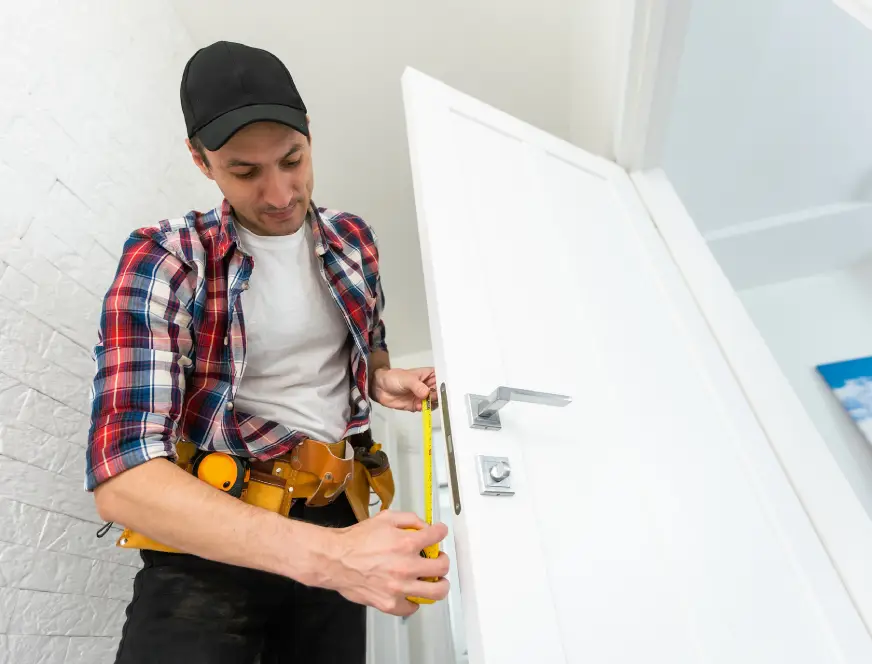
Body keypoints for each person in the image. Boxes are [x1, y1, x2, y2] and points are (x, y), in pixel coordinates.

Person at [85, 40, 449, 664]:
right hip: (211, 543)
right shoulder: (167, 258)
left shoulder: (354, 240)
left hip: (338, 512)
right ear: (201, 162)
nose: (280, 194)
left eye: (293, 160)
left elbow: (368, 352)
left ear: (309, 134)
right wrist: (334, 561)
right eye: (245, 172)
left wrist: (381, 381)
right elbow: (125, 479)